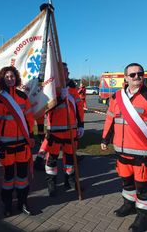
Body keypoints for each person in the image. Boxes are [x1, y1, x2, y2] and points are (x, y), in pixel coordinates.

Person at [101, 63, 147, 232]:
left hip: (143, 155)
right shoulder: (116, 97)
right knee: (126, 182)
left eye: (140, 74)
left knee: (143, 187)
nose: (137, 77)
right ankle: (129, 205)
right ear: (125, 78)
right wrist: (105, 138)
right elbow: (110, 119)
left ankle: (143, 217)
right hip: (121, 151)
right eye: (132, 75)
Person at [0, 66, 35, 217]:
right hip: (5, 146)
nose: (10, 79)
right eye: (7, 76)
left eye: (12, 76)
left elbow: (29, 119)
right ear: (2, 79)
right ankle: (7, 205)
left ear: (16, 78)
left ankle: (23, 203)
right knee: (8, 178)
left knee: (22, 177)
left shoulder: (23, 96)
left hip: (22, 145)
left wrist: (32, 136)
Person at [43, 62, 84, 197]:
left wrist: (81, 124)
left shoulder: (73, 89)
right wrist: (60, 98)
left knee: (70, 159)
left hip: (71, 131)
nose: (66, 73)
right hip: (55, 131)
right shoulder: (51, 89)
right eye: (63, 71)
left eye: (67, 71)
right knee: (52, 160)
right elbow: (45, 108)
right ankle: (51, 183)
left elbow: (79, 109)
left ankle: (70, 180)